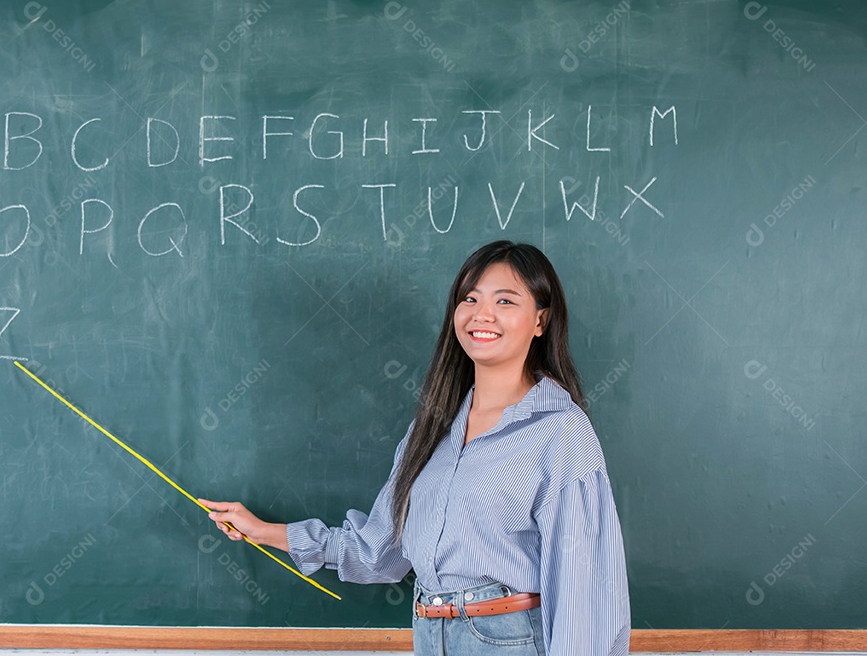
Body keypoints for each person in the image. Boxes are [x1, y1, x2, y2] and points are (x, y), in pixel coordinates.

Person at [201, 240, 630, 656]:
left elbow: (583, 590)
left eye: (505, 301)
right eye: (470, 299)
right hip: (429, 634)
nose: (482, 314)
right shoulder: (431, 430)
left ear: (540, 320)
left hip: (509, 639)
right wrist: (264, 531)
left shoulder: (560, 432)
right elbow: (378, 554)